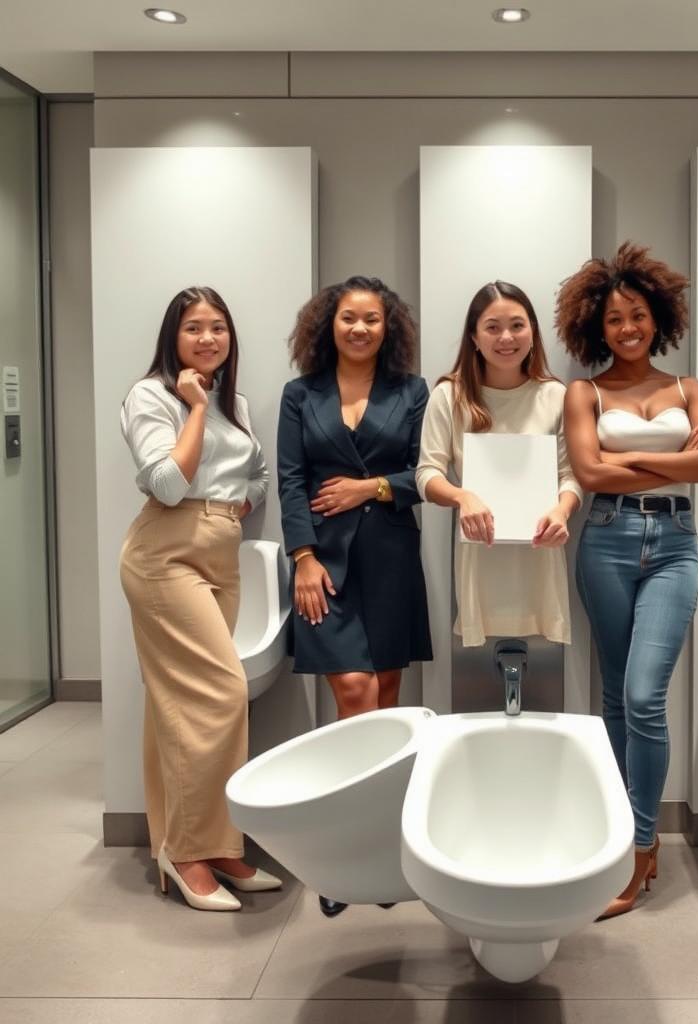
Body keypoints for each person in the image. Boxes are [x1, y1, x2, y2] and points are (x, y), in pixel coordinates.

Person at [558, 242, 698, 919]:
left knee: (644, 696)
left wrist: (630, 459)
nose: (628, 329)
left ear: (659, 317)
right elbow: (590, 476)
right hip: (607, 541)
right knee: (617, 697)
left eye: (638, 316)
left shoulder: (690, 388)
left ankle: (643, 845)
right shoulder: (585, 390)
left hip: (676, 546)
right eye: (615, 320)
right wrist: (675, 460)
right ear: (596, 327)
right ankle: (617, 832)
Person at [120, 286, 280, 912]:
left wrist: (241, 501)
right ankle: (188, 853)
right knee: (219, 693)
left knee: (179, 704)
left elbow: (258, 472)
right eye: (194, 328)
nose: (208, 339)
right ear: (173, 337)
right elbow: (165, 482)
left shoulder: (232, 401)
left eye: (218, 328)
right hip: (166, 554)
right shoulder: (152, 396)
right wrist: (190, 407)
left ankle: (212, 844)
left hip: (221, 554)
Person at [278, 276, 432, 916]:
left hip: (392, 558)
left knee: (390, 705)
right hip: (327, 565)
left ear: (387, 327)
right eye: (348, 318)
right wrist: (303, 557)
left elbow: (429, 472)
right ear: (328, 324)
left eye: (372, 319)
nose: (360, 328)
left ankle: (384, 852)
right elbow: (290, 479)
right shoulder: (298, 394)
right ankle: (344, 856)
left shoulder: (412, 391)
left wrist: (368, 489)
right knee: (356, 695)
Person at [416, 281, 582, 648]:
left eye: (517, 325)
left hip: (541, 557)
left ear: (533, 333)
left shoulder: (555, 396)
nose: (506, 337)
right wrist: (462, 498)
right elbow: (426, 474)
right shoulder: (450, 395)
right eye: (492, 327)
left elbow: (571, 475)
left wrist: (563, 510)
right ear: (474, 337)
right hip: (481, 557)